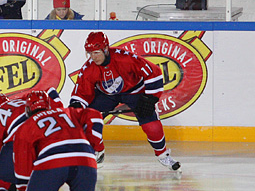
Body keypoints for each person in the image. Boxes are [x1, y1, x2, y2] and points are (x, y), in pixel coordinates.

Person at [69, 31, 182, 171]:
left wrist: (151, 98)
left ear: (105, 49)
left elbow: (154, 72)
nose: (93, 57)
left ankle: (163, 155)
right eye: (90, 53)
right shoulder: (89, 68)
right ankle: (98, 152)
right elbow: (82, 91)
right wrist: (77, 105)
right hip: (107, 95)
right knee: (86, 118)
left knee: (151, 125)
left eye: (96, 52)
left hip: (134, 91)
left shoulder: (125, 58)